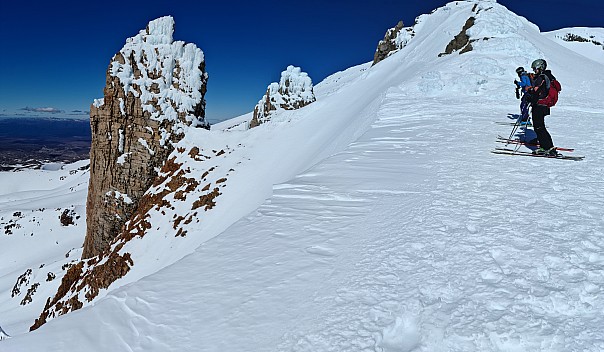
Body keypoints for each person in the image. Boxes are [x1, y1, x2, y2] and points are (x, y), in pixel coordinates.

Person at [528, 59, 557, 155]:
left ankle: (547, 147)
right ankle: (546, 145)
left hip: (540, 105)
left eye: (535, 69)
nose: (534, 71)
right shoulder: (548, 76)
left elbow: (536, 91)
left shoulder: (542, 77)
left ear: (540, 68)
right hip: (544, 105)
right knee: (540, 127)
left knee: (539, 127)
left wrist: (530, 95)